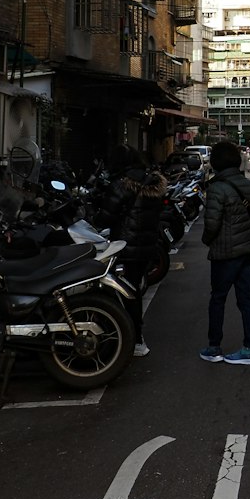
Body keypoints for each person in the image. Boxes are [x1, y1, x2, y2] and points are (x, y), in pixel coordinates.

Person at [95, 144, 167, 356]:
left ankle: (134, 339)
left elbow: (106, 216)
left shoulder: (123, 184)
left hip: (126, 246)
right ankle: (133, 337)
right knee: (134, 290)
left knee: (125, 293)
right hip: (147, 246)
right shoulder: (151, 180)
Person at [199, 140, 250, 365]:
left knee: (218, 299)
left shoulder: (217, 187)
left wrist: (207, 241)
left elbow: (212, 223)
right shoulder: (249, 186)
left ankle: (214, 347)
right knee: (246, 300)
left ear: (216, 162)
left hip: (224, 254)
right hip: (246, 251)